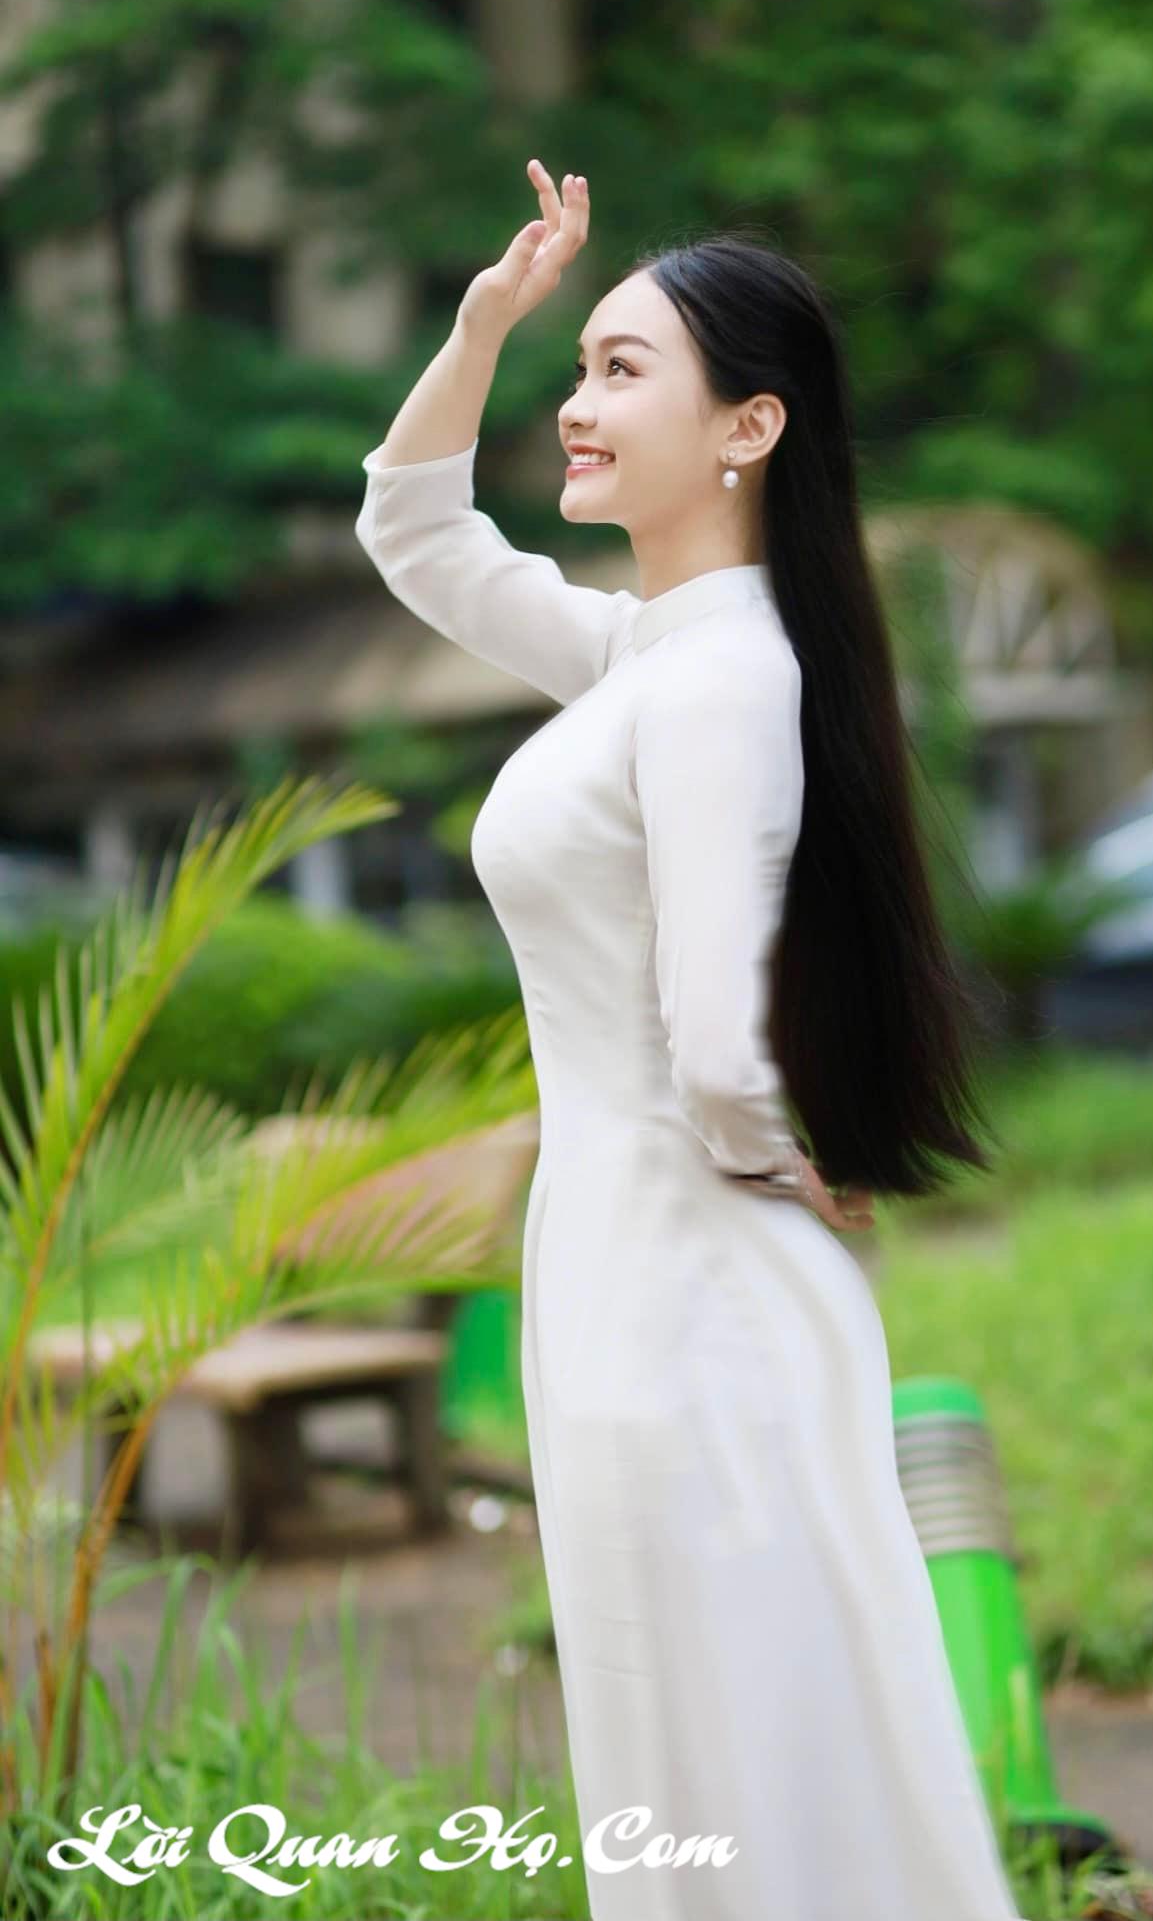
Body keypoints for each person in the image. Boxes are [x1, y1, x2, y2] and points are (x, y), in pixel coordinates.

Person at [355, 160, 1023, 1920]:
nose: (574, 406)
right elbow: (414, 533)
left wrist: (776, 1154)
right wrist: (482, 323)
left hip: (688, 1281)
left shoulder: (721, 679)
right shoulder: (641, 658)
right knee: (704, 1721)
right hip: (631, 1263)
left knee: (733, 1723)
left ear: (749, 427)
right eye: (575, 369)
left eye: (619, 369)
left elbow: (719, 1044)